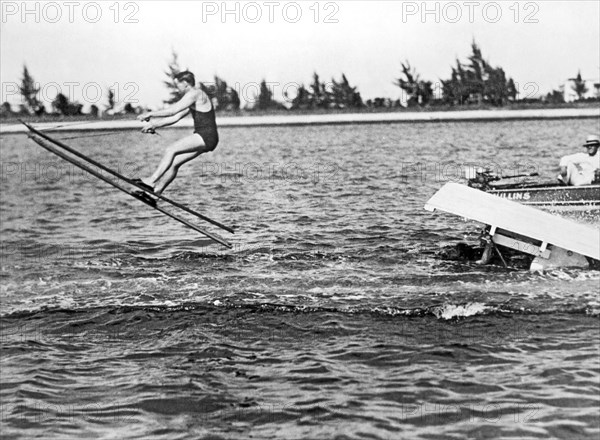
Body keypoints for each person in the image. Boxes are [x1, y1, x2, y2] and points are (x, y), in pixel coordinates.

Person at [132, 71, 219, 203]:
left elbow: (173, 110)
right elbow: (175, 117)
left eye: (178, 85)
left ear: (185, 83)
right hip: (208, 138)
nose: (177, 88)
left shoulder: (194, 94)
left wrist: (150, 113)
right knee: (174, 163)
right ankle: (156, 194)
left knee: (171, 150)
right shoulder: (194, 97)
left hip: (205, 136)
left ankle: (151, 181)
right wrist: (154, 125)